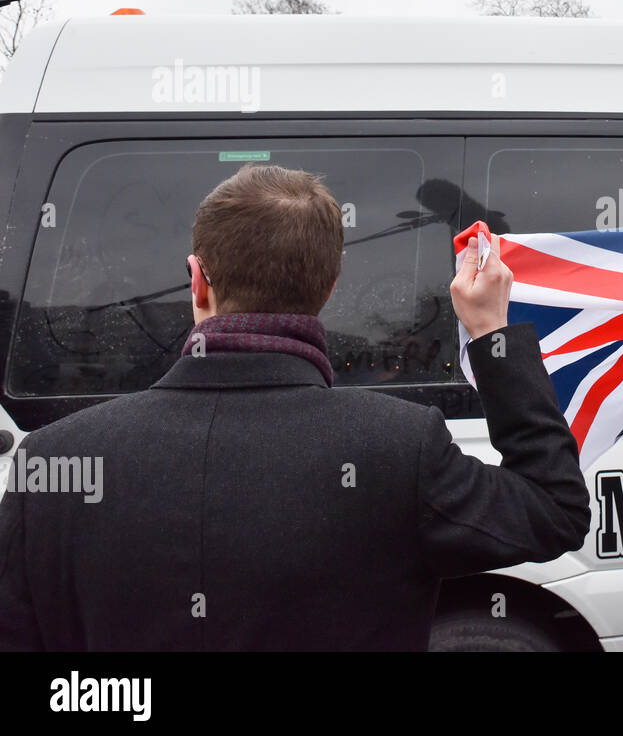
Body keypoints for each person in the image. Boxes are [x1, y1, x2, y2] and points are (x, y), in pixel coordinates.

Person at [0, 165, 590, 650]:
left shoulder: (52, 460)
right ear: (329, 287)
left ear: (196, 281)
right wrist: (491, 333)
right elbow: (554, 509)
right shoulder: (398, 447)